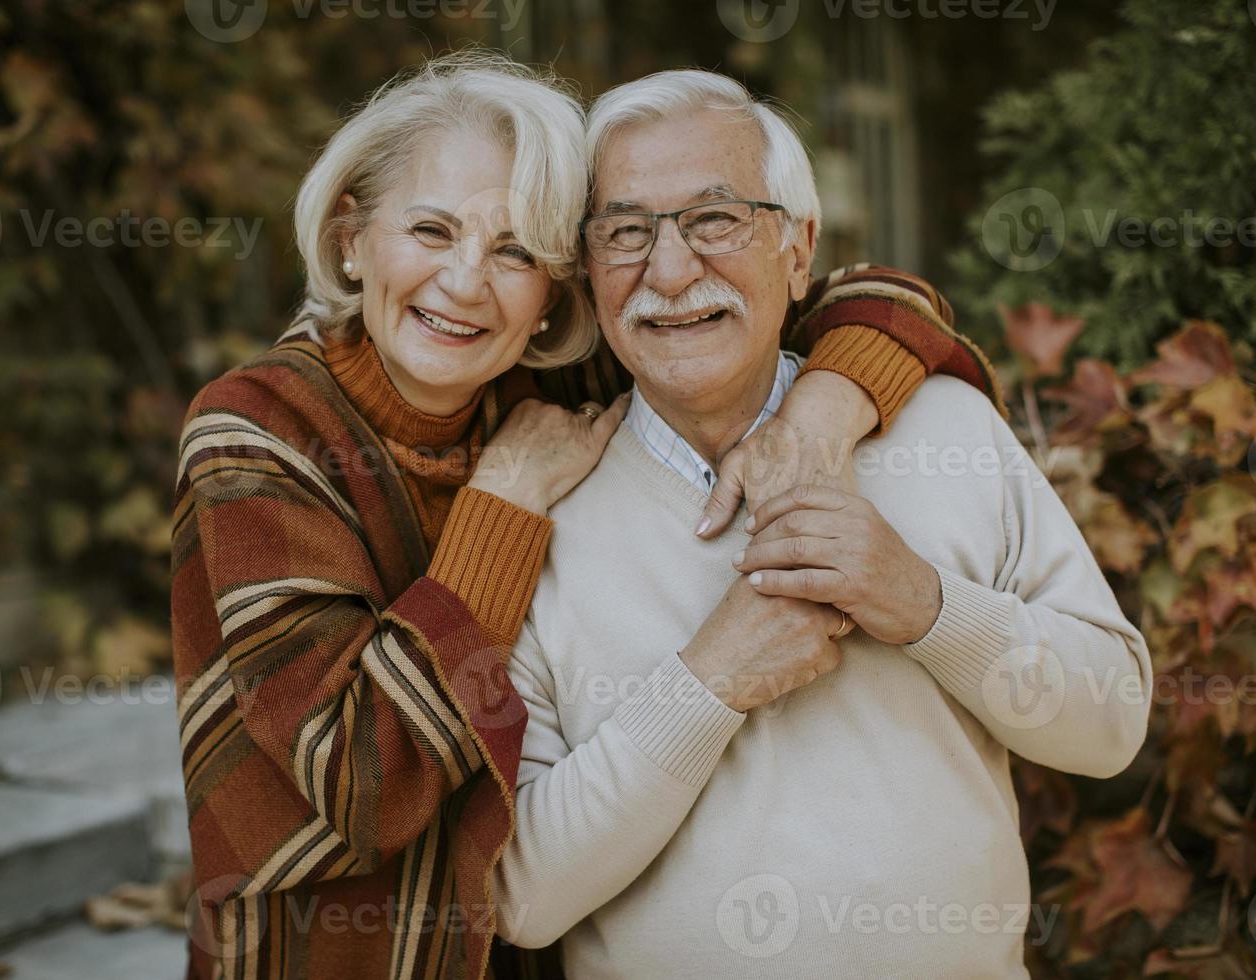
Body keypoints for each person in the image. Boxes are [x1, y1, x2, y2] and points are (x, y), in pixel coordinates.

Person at [172, 53, 1004, 980]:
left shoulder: (560, 380)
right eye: (432, 229)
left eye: (517, 249)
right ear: (351, 239)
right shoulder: (259, 432)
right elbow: (364, 779)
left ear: (555, 292)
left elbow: (884, 301)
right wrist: (503, 503)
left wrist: (822, 413)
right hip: (341, 953)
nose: (465, 282)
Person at [492, 69, 1151, 978]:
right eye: (626, 232)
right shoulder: (544, 511)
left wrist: (922, 605)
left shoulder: (945, 429)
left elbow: (1112, 725)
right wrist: (710, 683)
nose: (671, 269)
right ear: (588, 272)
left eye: (716, 220)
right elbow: (521, 898)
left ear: (799, 253)